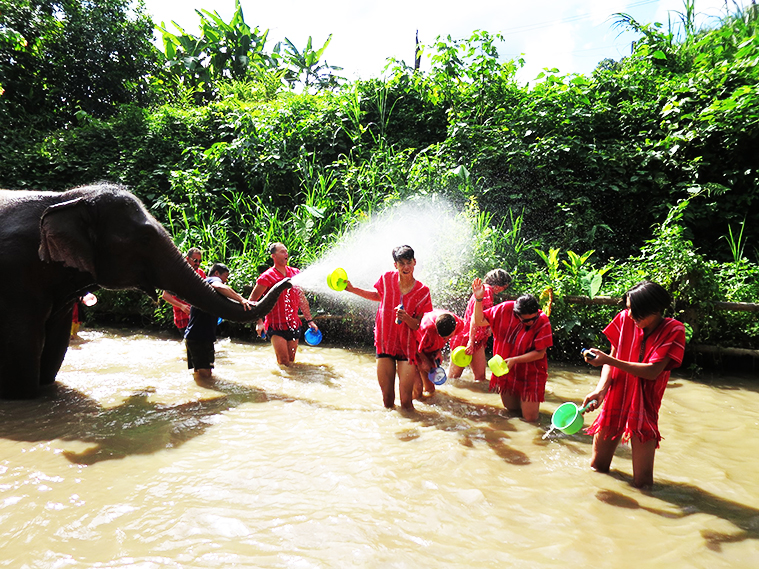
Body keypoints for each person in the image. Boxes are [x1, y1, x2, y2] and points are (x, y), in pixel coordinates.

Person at [581, 281, 686, 488]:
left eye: (635, 311)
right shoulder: (623, 319)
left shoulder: (673, 329)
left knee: (643, 482)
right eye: (628, 308)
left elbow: (652, 371)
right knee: (597, 468)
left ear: (655, 310)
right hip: (616, 394)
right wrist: (600, 390)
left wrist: (608, 361)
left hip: (644, 403)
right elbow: (612, 356)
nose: (629, 315)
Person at [344, 245, 433, 411]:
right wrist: (352, 289)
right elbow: (377, 295)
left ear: (415, 262)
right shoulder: (386, 279)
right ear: (395, 265)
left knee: (406, 402)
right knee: (387, 401)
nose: (406, 267)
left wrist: (406, 318)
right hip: (385, 343)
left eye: (409, 263)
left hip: (407, 348)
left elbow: (420, 325)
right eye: (401, 263)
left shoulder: (423, 291)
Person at [471, 278, 553, 422]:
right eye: (527, 321)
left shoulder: (542, 321)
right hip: (505, 370)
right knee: (512, 412)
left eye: (533, 318)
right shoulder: (505, 309)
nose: (531, 323)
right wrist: (479, 300)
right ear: (516, 314)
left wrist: (515, 360)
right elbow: (479, 321)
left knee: (530, 419)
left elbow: (540, 353)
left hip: (530, 373)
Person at [248, 242, 317, 366]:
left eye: (286, 251)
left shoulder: (295, 273)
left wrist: (309, 320)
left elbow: (302, 299)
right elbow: (253, 300)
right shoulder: (267, 277)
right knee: (284, 361)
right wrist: (259, 322)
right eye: (282, 252)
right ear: (273, 256)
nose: (286, 254)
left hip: (294, 324)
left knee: (291, 361)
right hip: (275, 325)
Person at [184, 263, 253, 381]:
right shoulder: (212, 280)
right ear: (216, 273)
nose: (225, 282)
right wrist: (241, 299)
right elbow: (219, 286)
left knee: (199, 374)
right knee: (206, 376)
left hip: (194, 336)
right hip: (200, 338)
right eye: (224, 278)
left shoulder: (204, 287)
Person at [448, 269, 512, 381]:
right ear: (499, 285)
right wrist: (470, 341)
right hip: (466, 338)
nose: (503, 290)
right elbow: (475, 317)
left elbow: (484, 316)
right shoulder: (486, 292)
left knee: (480, 378)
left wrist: (488, 328)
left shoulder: (485, 291)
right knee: (453, 378)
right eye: (505, 287)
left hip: (477, 338)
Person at [415, 310, 464, 395]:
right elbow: (412, 343)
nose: (445, 340)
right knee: (418, 390)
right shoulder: (426, 328)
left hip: (428, 345)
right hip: (412, 345)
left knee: (430, 390)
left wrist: (438, 350)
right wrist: (424, 360)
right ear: (436, 331)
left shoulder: (459, 324)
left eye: (449, 337)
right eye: (443, 338)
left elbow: (441, 338)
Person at [162, 248, 206, 332]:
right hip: (183, 318)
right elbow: (165, 296)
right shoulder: (177, 275)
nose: (197, 264)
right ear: (187, 259)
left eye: (199, 261)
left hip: (197, 316)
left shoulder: (201, 273)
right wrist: (181, 306)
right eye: (195, 260)